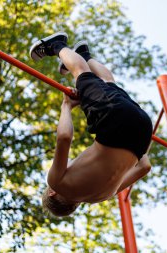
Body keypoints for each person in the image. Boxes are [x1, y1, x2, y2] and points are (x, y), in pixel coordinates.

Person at [30, 32, 153, 217]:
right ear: (52, 192)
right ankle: (56, 45)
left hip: (142, 133)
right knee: (82, 74)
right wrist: (66, 106)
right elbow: (64, 138)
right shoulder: (56, 183)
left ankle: (84, 55)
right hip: (114, 124)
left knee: (108, 83)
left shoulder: (103, 196)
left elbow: (144, 166)